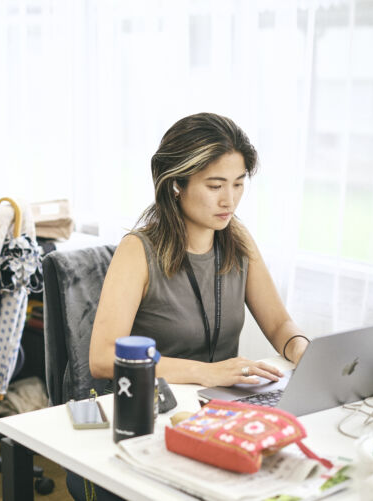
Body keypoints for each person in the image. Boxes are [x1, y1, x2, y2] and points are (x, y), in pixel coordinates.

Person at [89, 112, 309, 387]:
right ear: (176, 184)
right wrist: (206, 372)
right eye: (215, 186)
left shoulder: (238, 239)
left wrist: (301, 349)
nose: (229, 200)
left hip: (219, 404)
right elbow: (102, 358)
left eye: (238, 184)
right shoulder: (137, 251)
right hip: (153, 407)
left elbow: (279, 326)